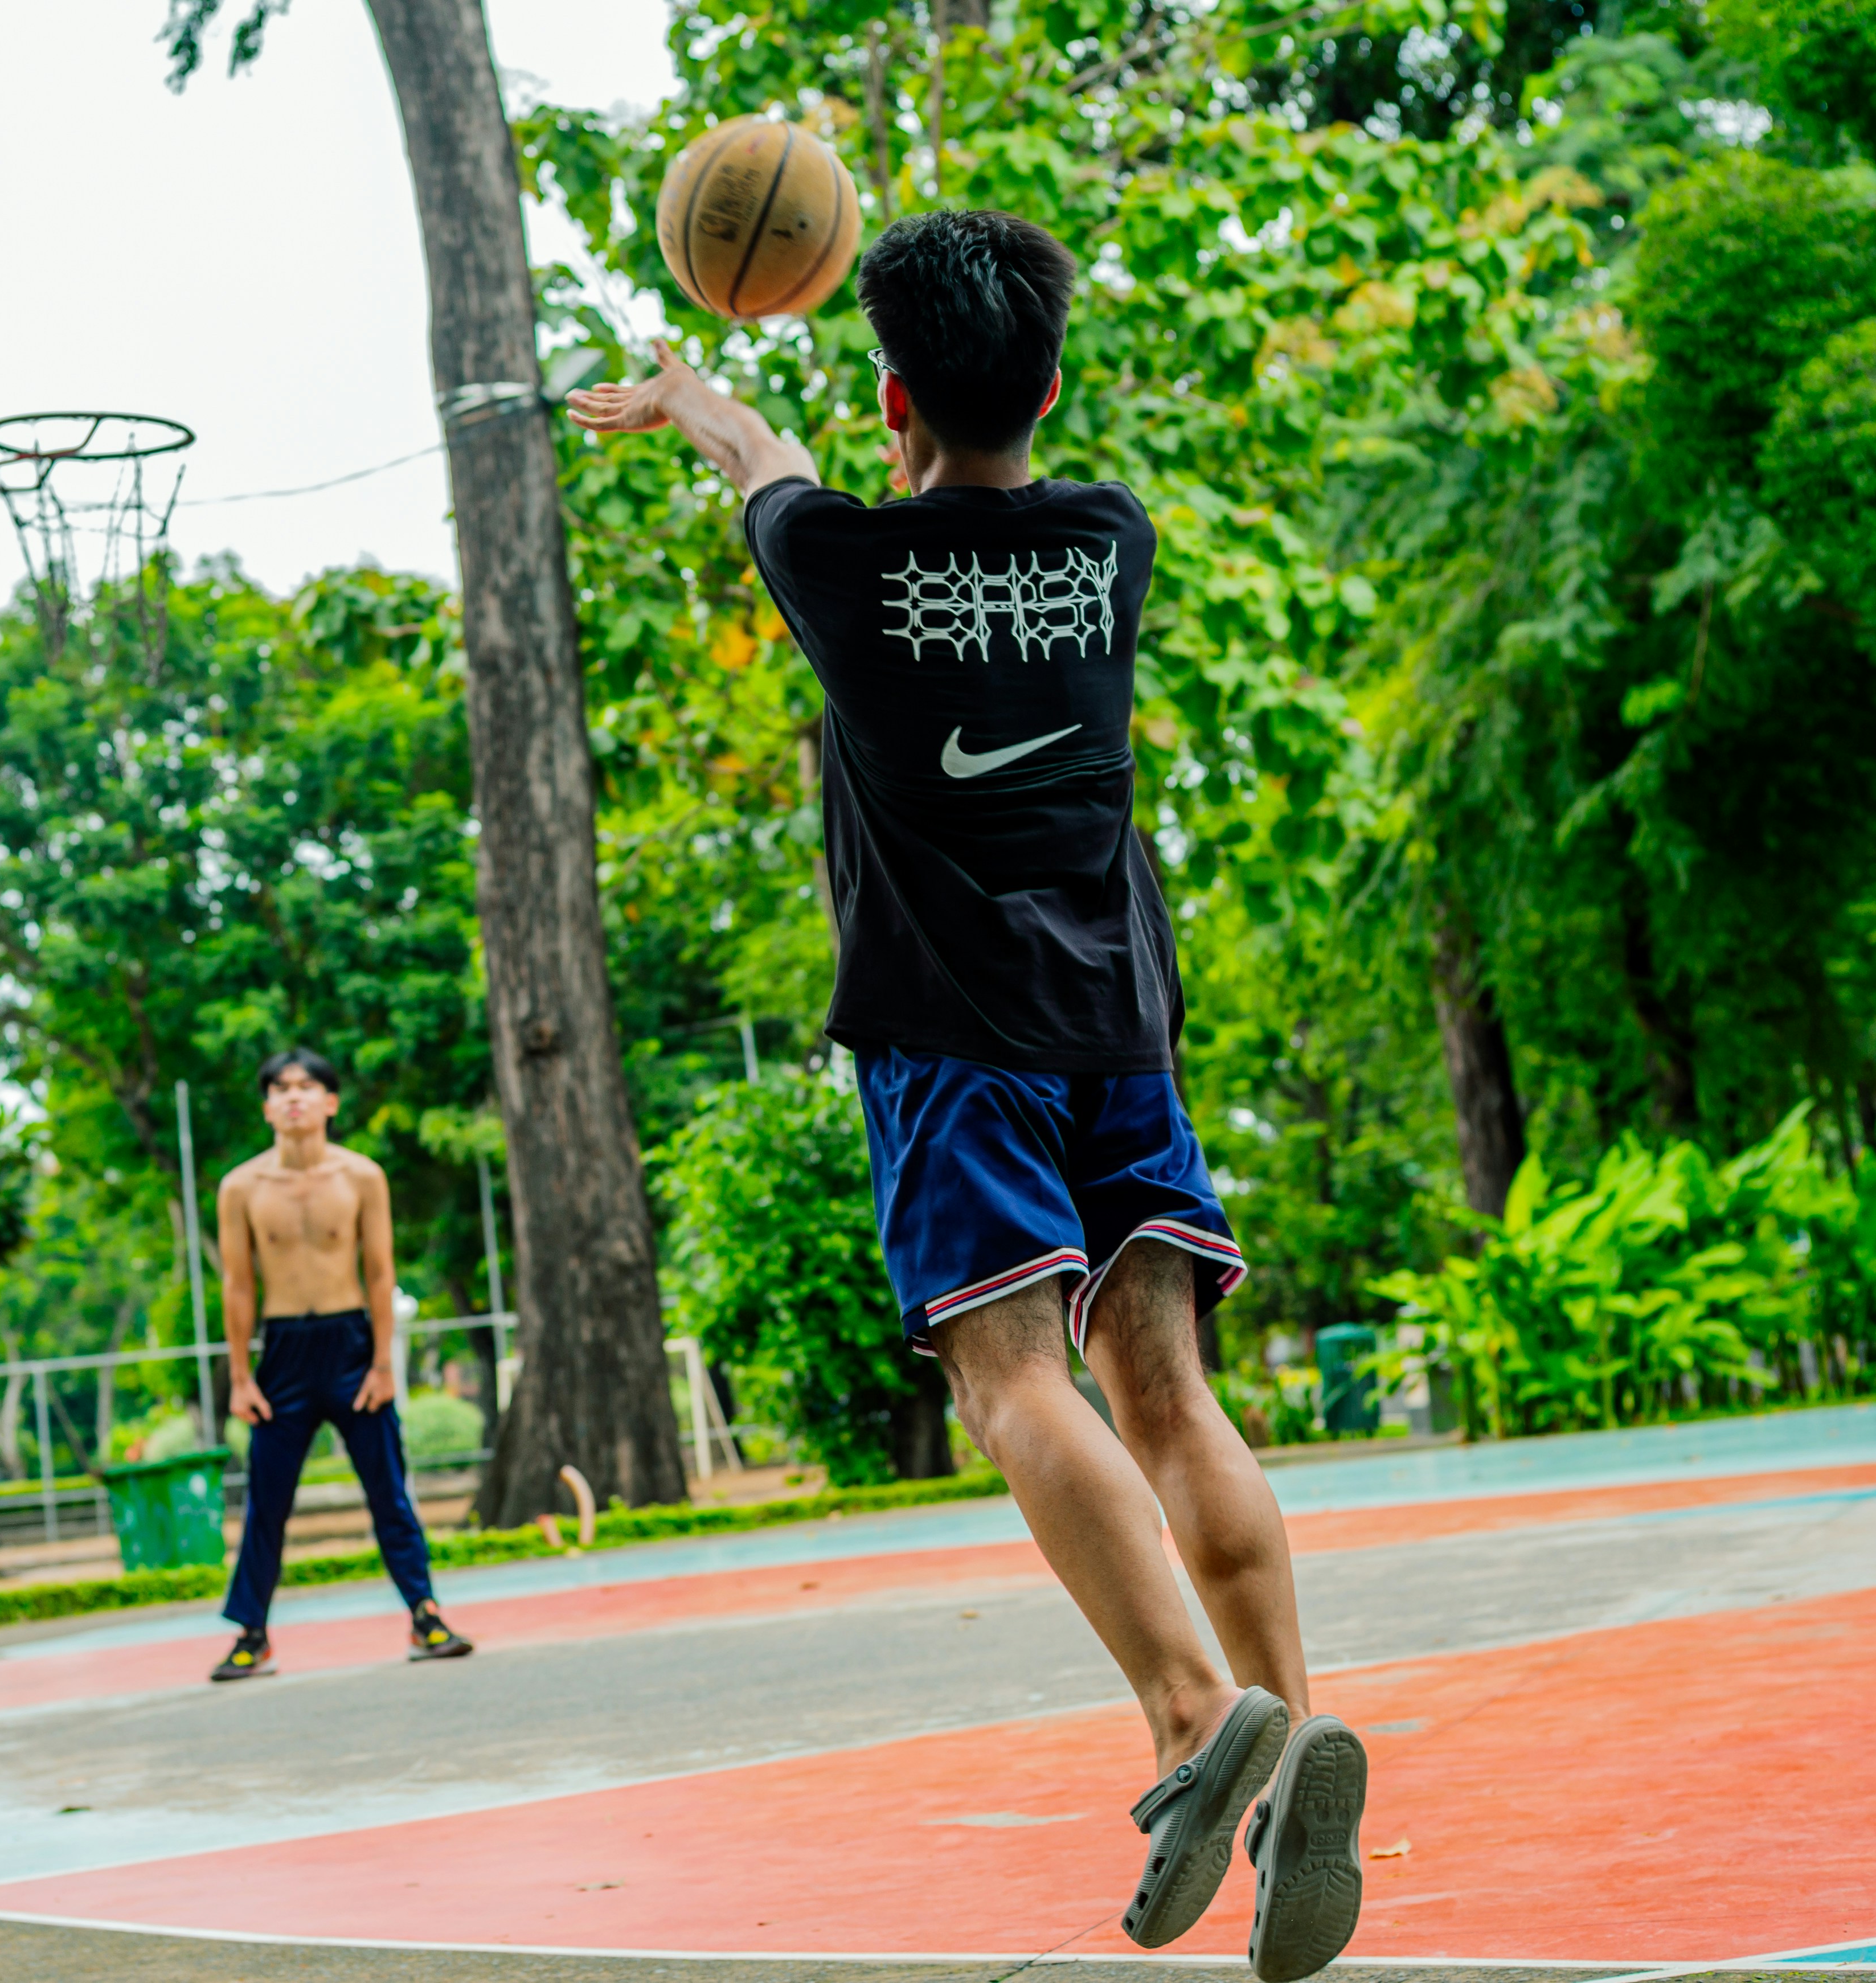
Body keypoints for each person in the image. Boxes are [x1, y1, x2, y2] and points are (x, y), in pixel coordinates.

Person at [567, 210, 1366, 1981]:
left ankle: (1186, 1707)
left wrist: (699, 395)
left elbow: (770, 464)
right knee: (1169, 1391)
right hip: (1121, 1026)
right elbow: (910, 470)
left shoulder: (840, 566)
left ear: (890, 392)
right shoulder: (1112, 541)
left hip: (952, 1036)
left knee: (1011, 1380)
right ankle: (1295, 1719)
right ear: (1054, 386)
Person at [208, 1047, 474, 1682]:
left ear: (330, 1101)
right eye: (280, 1088)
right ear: (267, 1105)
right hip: (282, 1356)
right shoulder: (241, 1186)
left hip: (353, 1346)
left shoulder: (361, 1176)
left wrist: (384, 1362)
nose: (293, 1097)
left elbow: (381, 1272)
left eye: (307, 1086)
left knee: (389, 1490)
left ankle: (425, 1613)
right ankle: (251, 1633)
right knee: (267, 1501)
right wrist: (241, 1376)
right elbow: (237, 1286)